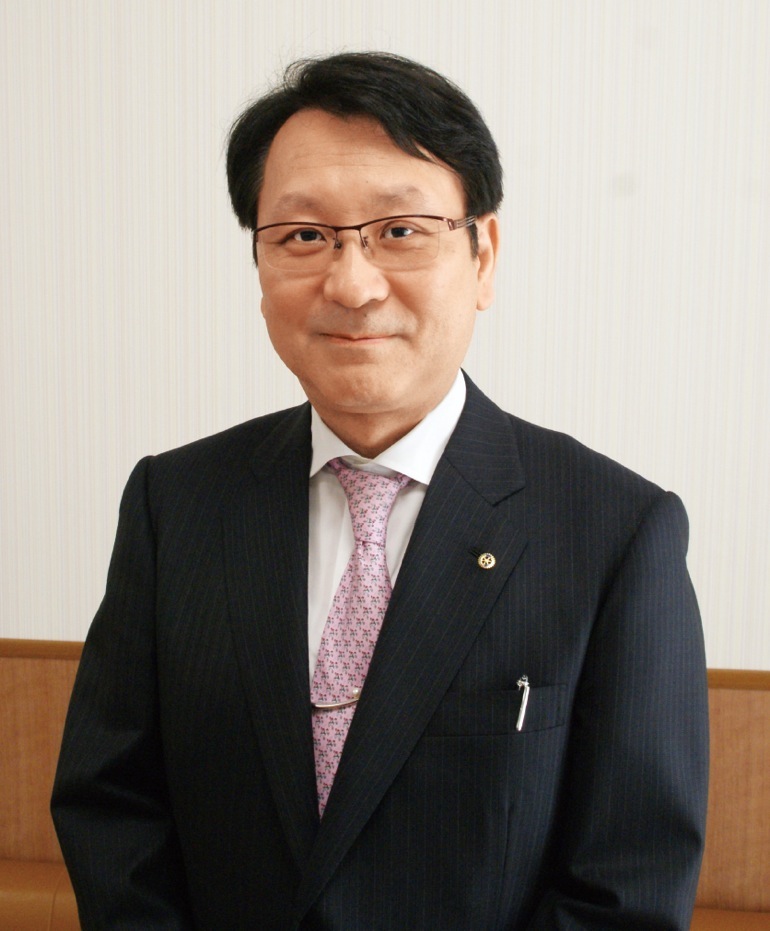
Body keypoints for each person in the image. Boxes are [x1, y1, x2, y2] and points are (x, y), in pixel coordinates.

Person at [51, 51, 709, 929]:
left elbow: (630, 881)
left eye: (400, 230)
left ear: (483, 254)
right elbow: (112, 807)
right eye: (304, 236)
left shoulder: (617, 530)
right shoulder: (175, 504)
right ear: (259, 264)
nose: (353, 284)